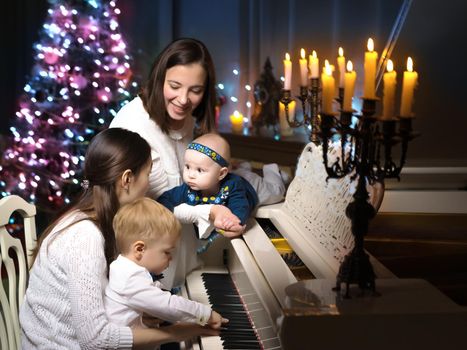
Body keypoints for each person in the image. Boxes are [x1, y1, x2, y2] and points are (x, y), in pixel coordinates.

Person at [109, 37, 286, 289]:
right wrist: (208, 212)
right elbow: (128, 214)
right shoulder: (131, 125)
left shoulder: (188, 119)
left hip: (181, 258)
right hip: (142, 268)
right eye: (175, 86)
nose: (184, 99)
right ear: (159, 78)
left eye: (195, 90)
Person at [19, 128, 218, 349]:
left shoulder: (98, 219)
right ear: (127, 179)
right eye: (148, 174)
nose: (148, 185)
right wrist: (173, 333)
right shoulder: (84, 237)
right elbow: (95, 340)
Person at [105, 197, 227, 330]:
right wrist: (206, 316)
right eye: (167, 252)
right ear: (140, 249)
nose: (171, 258)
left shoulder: (122, 267)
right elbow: (168, 306)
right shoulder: (130, 278)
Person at [157, 133, 258, 253]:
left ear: (221, 174)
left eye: (199, 170)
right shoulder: (188, 189)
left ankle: (273, 171)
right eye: (188, 167)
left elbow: (240, 205)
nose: (191, 175)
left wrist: (235, 221)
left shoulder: (232, 185)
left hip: (253, 188)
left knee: (275, 190)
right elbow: (165, 199)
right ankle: (243, 166)